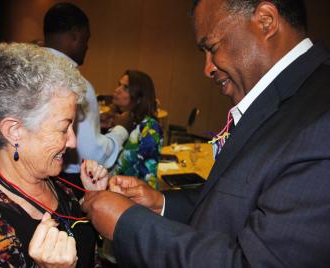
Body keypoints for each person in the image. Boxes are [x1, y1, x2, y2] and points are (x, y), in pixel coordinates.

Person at [81, 0, 330, 267]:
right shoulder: (288, 101)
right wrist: (161, 204)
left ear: (266, 21)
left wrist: (128, 224)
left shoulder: (321, 119)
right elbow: (243, 201)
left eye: (212, 48)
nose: (207, 68)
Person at [0, 43, 109, 267]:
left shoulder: (49, 179)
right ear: (14, 131)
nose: (73, 141)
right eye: (63, 128)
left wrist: (92, 199)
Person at [43, 2, 132, 199]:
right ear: (74, 35)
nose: (87, 46)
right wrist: (121, 130)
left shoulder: (29, 73)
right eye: (86, 38)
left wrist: (96, 120)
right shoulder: (77, 85)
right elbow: (91, 153)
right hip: (68, 181)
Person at [109, 70, 163, 189]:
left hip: (131, 199)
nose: (117, 90)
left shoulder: (150, 128)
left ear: (139, 97)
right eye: (119, 84)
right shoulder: (121, 120)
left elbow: (148, 178)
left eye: (126, 88)